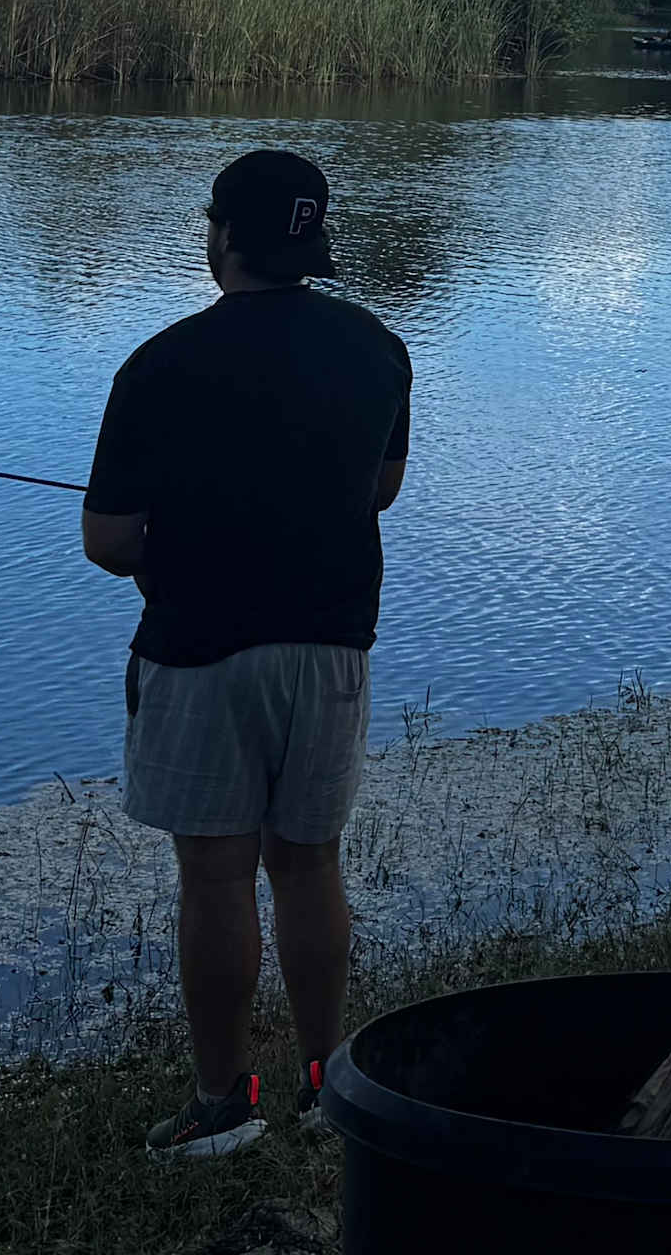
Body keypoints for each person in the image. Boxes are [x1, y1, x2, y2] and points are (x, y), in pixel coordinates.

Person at [83, 147, 413, 1157]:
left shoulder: (160, 363)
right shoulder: (379, 350)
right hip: (331, 644)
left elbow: (109, 540)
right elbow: (382, 488)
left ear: (224, 236)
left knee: (219, 878)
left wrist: (176, 549)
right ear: (313, 241)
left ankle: (224, 1104)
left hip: (200, 649)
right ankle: (327, 1086)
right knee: (309, 867)